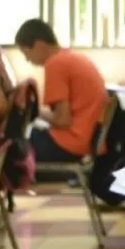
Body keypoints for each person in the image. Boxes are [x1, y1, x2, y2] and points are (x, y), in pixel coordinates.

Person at [14, 19, 107, 163]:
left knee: (12, 146)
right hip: (88, 138)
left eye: (26, 53)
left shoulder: (55, 64)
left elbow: (63, 121)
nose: (27, 59)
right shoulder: (73, 57)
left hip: (71, 144)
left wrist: (36, 111)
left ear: (39, 45)